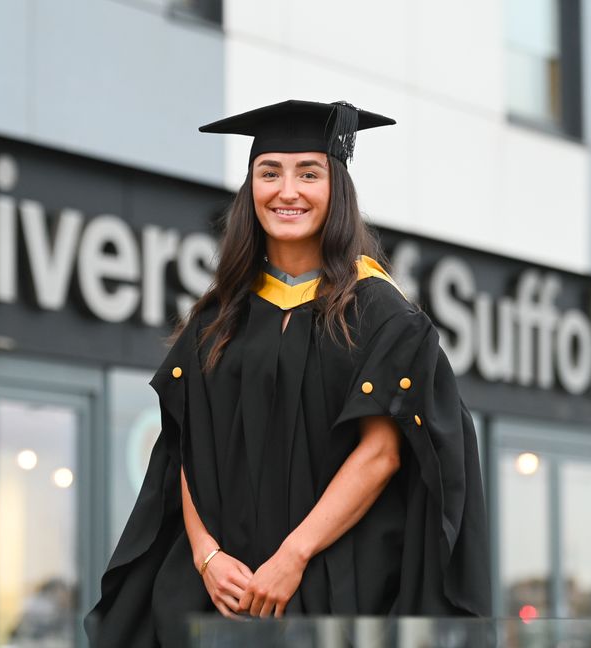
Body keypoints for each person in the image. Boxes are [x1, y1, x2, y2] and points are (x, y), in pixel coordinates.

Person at [85, 100, 491, 647]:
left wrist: (292, 557)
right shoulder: (218, 316)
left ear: (337, 188)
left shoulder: (379, 311)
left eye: (309, 173)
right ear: (250, 188)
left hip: (332, 587)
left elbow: (381, 454)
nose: (288, 190)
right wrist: (207, 558)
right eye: (269, 172)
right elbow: (186, 449)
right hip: (222, 595)